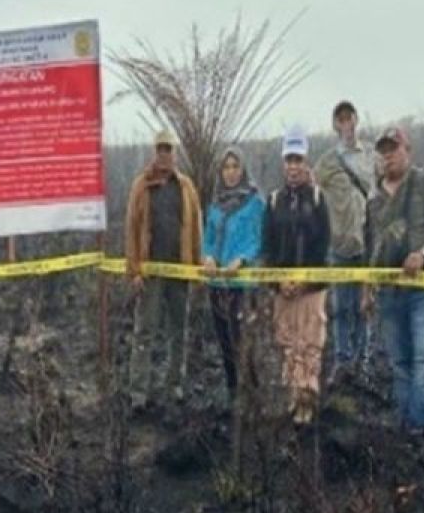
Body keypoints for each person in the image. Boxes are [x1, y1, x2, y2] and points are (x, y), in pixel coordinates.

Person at [362, 126, 424, 462]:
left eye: (394, 149)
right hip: (389, 292)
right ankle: (404, 428)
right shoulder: (373, 200)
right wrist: (367, 288)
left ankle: (418, 430)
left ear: (407, 150)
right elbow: (371, 247)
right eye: (383, 150)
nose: (388, 156)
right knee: (399, 362)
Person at [124, 128, 202, 410]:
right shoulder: (141, 186)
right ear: (154, 152)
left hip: (179, 273)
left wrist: (195, 269)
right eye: (160, 149)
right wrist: (134, 271)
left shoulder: (186, 187)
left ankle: (175, 384)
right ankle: (138, 392)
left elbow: (195, 230)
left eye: (168, 149)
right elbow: (131, 230)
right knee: (144, 331)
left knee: (178, 330)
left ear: (175, 152)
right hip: (151, 273)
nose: (164, 154)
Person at [263, 127, 331, 425]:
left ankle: (308, 399)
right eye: (289, 159)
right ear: (283, 163)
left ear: (306, 162)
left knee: (310, 343)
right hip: (283, 288)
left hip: (312, 288)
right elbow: (267, 247)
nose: (293, 166)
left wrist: (306, 280)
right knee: (288, 342)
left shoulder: (317, 198)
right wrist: (278, 280)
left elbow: (324, 246)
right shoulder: (274, 200)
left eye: (298, 159)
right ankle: (294, 397)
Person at [314, 101, 373, 386]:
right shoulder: (327, 162)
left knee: (364, 305)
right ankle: (342, 358)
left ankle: (362, 361)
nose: (346, 124)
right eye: (341, 119)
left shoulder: (371, 155)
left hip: (368, 242)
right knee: (340, 305)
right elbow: (314, 193)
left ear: (356, 120)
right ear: (335, 125)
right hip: (338, 243)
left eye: (350, 118)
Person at [201, 147, 265, 402]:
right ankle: (232, 392)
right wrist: (208, 257)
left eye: (235, 167)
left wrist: (243, 258)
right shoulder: (215, 205)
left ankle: (251, 391)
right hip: (218, 281)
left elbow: (260, 239)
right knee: (224, 341)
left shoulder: (255, 203)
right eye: (226, 167)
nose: (230, 172)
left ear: (243, 170)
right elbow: (208, 238)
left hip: (242, 282)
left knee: (242, 340)